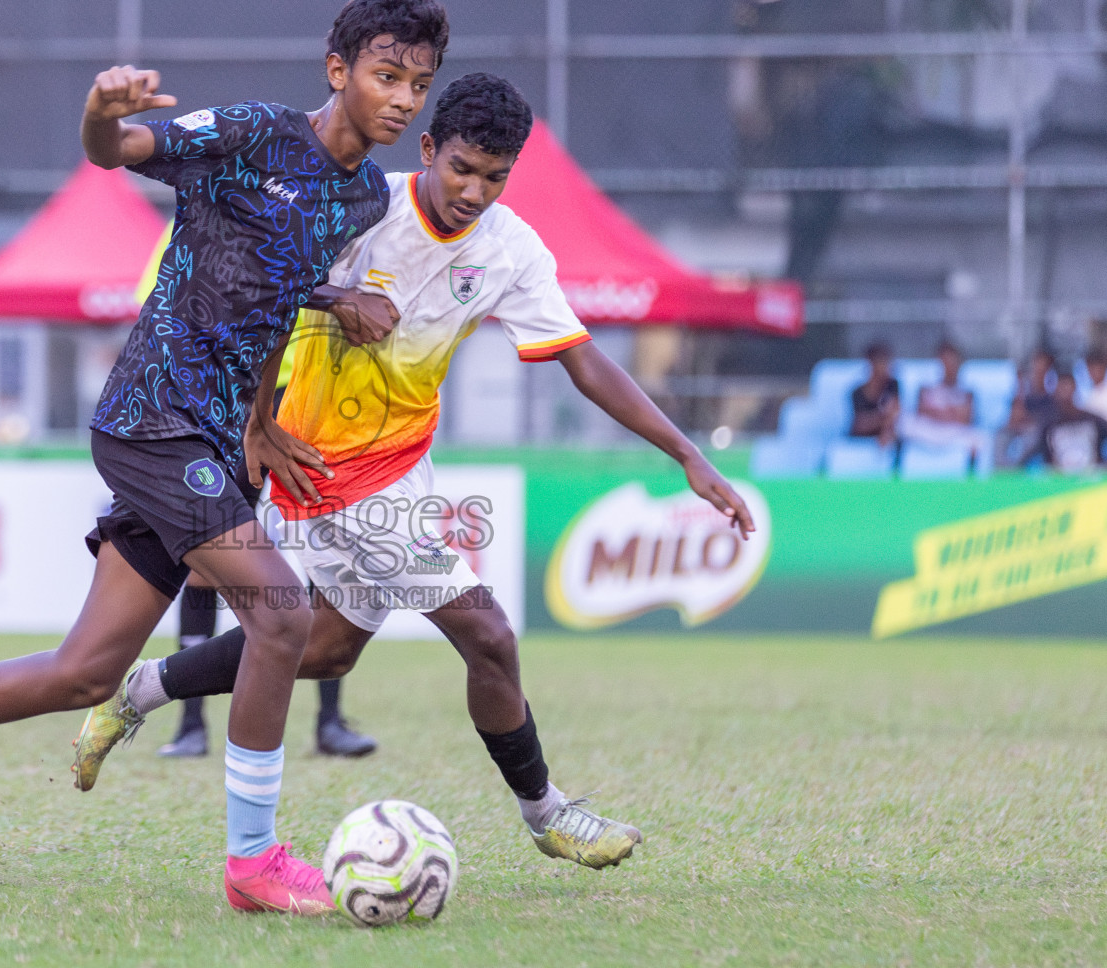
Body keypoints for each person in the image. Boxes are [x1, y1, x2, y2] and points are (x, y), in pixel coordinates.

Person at [0, 0, 450, 917]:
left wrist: (286, 381)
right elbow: (120, 152)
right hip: (151, 415)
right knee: (282, 614)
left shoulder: (358, 197)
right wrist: (101, 112)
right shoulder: (256, 134)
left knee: (84, 672)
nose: (403, 99)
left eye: (419, 84)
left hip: (212, 435)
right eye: (386, 76)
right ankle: (252, 863)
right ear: (336, 72)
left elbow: (274, 286)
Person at [72, 73, 756, 873]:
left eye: (495, 176)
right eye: (462, 167)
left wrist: (687, 454)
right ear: (428, 149)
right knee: (489, 636)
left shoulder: (511, 250)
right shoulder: (364, 209)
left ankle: (138, 693)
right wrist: (262, 419)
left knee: (324, 650)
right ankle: (548, 814)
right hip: (321, 465)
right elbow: (267, 295)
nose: (474, 190)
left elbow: (581, 361)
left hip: (402, 469)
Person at [132, 224, 376, 760]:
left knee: (323, 552)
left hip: (311, 402)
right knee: (208, 559)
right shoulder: (200, 214)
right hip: (231, 403)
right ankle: (190, 726)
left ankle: (330, 722)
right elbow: (163, 308)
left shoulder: (325, 216)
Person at [899, 339, 985, 465]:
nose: (949, 366)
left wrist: (937, 412)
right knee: (903, 423)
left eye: (952, 361)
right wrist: (950, 412)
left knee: (979, 439)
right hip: (928, 430)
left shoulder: (967, 393)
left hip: (954, 433)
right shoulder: (926, 388)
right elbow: (921, 411)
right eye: (945, 361)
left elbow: (966, 419)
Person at [1019, 372, 1107, 471]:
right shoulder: (1049, 425)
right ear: (1055, 391)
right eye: (1061, 388)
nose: (1065, 393)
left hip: (1092, 480)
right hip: (1060, 481)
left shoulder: (1093, 421)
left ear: (1075, 388)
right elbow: (1036, 453)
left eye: (1068, 387)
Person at [997, 349, 1057, 467]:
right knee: (1000, 436)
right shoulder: (1023, 394)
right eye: (1035, 367)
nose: (1038, 372)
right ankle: (1002, 472)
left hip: (1039, 435)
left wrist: (1030, 421)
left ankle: (1015, 470)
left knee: (1032, 436)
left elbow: (1048, 423)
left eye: (1042, 369)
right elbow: (1013, 419)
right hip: (1019, 430)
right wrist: (1020, 388)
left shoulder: (1053, 398)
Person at [849, 342, 899, 446]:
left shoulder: (892, 385)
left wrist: (884, 429)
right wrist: (882, 418)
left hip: (886, 436)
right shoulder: (857, 392)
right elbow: (859, 425)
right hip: (861, 440)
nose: (887, 367)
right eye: (882, 362)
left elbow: (894, 413)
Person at [1079, 349, 1107, 421]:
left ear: (1104, 367)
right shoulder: (1087, 396)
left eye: (1098, 367)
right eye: (1091, 368)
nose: (1095, 371)